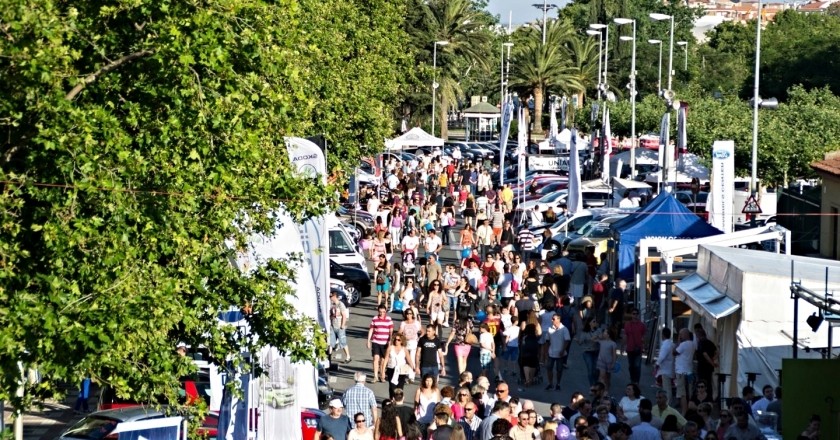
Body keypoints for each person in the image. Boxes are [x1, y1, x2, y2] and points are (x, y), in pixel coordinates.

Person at [367, 304, 394, 383]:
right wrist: (368, 340)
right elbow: (371, 330)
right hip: (376, 341)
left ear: (385, 312)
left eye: (383, 312)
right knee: (376, 359)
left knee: (383, 360)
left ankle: (382, 374)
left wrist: (390, 340)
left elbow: (391, 331)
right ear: (378, 311)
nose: (382, 313)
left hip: (385, 342)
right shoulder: (375, 319)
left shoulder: (389, 319)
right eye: (380, 312)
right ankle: (375, 376)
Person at [545, 313, 571, 391]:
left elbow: (567, 340)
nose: (551, 320)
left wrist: (563, 350)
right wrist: (546, 351)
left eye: (553, 319)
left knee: (559, 369)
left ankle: (558, 384)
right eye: (552, 319)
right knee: (549, 368)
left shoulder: (564, 329)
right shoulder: (549, 329)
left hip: (560, 353)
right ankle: (550, 383)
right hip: (551, 352)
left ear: (558, 320)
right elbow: (547, 340)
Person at [674, 328, 696, 415]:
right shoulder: (693, 344)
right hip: (689, 370)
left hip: (681, 371)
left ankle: (684, 411)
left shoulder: (683, 345)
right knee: (689, 392)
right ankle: (688, 410)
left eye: (681, 334)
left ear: (686, 335)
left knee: (682, 393)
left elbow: (674, 352)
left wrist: (678, 341)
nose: (680, 336)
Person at [384, 334, 413, 398]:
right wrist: (383, 371)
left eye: (398, 340)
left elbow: (409, 360)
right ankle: (392, 399)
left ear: (402, 341)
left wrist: (413, 369)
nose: (396, 341)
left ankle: (399, 400)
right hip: (391, 369)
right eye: (395, 339)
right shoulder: (390, 348)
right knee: (392, 386)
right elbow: (386, 359)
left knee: (400, 387)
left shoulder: (404, 349)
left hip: (401, 370)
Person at [623, 308, 646, 385]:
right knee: (631, 366)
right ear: (631, 315)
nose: (635, 315)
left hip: (638, 348)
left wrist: (644, 345)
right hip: (630, 348)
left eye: (636, 314)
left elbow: (644, 336)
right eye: (633, 313)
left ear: (638, 315)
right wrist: (623, 346)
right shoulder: (627, 325)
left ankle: (636, 382)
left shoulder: (642, 325)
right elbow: (625, 336)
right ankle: (632, 380)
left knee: (637, 366)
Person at [330, 290, 352, 363]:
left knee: (343, 342)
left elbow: (344, 315)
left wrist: (342, 325)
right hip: (333, 326)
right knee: (331, 342)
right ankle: (328, 357)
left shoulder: (340, 304)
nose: (330, 297)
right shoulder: (332, 305)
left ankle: (348, 356)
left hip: (340, 326)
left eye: (331, 296)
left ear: (335, 296)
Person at [655, 327, 675, 407]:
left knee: (667, 388)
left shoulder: (665, 345)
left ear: (662, 335)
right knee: (667, 387)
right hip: (670, 368)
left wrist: (657, 364)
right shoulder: (671, 344)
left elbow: (662, 357)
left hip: (665, 369)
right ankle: (667, 402)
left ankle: (667, 403)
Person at [597, 327, 618, 392]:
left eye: (605, 332)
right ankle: (601, 390)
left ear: (608, 335)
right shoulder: (601, 341)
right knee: (601, 376)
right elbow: (593, 339)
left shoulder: (613, 343)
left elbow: (614, 354)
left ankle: (606, 389)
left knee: (607, 377)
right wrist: (599, 336)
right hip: (601, 361)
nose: (603, 333)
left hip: (609, 362)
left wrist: (613, 363)